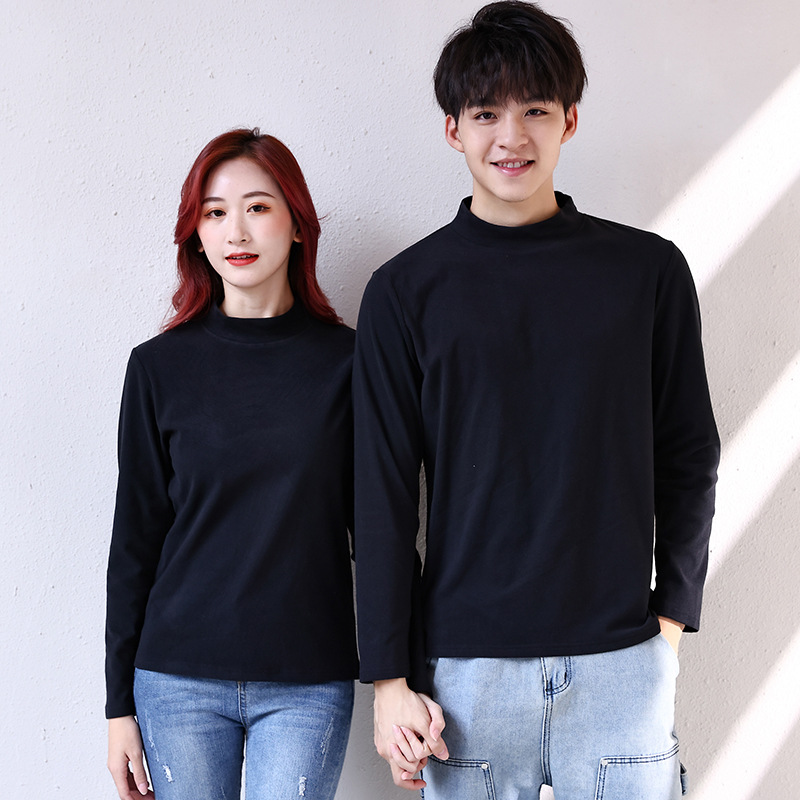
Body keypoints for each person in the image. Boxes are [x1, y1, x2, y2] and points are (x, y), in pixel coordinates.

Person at [353, 2, 720, 798]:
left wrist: (669, 625)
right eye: (486, 113)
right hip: (467, 675)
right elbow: (381, 495)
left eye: (536, 111)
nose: (510, 137)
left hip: (621, 660)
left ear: (570, 121)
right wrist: (388, 681)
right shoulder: (405, 293)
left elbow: (689, 453)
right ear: (453, 129)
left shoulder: (647, 273)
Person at [105, 129, 358, 800]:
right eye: (215, 212)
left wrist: (403, 674)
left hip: (308, 679)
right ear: (196, 234)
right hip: (176, 679)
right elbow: (134, 542)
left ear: (297, 225)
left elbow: (381, 533)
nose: (236, 231)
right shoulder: (158, 367)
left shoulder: (351, 364)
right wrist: (117, 707)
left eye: (258, 207)